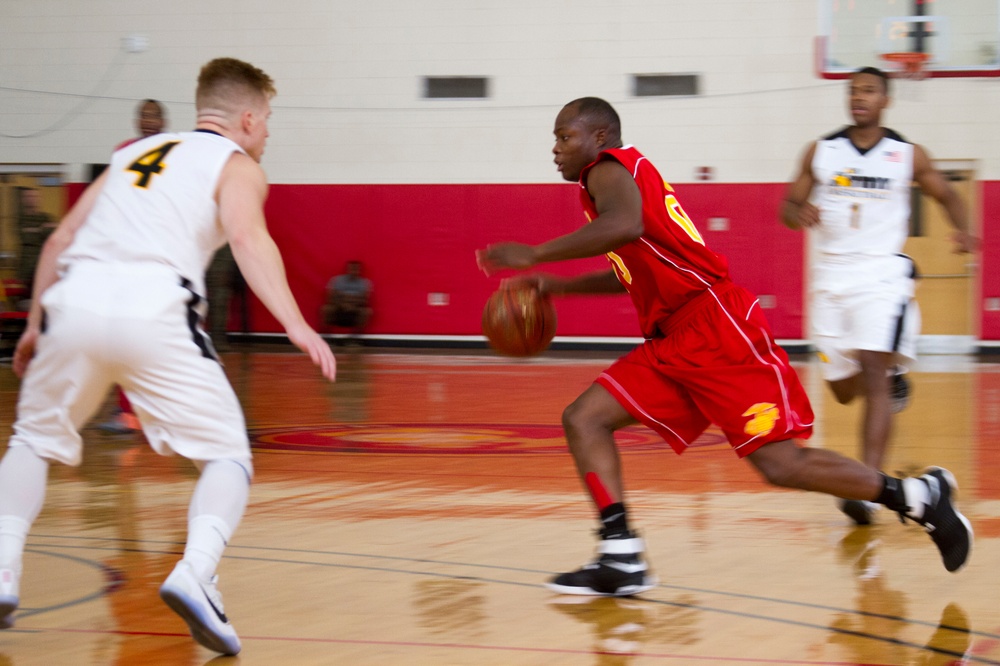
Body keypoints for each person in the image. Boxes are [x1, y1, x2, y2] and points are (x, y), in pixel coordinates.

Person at [475, 97, 972, 597]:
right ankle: (620, 554)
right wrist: (556, 286)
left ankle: (915, 496)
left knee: (782, 465)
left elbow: (624, 226)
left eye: (564, 137)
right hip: (674, 340)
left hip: (715, 328)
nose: (556, 149)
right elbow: (630, 269)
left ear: (599, 137)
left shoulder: (608, 170)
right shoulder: (613, 184)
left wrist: (536, 252)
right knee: (584, 418)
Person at [0, 57, 336, 654]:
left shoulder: (132, 154)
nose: (269, 135)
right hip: (156, 310)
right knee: (228, 455)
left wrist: (34, 326)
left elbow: (60, 238)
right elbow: (249, 238)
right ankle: (197, 572)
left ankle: (2, 568)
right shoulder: (235, 164)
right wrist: (295, 322)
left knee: (31, 441)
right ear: (249, 118)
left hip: (74, 301)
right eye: (270, 122)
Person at [781, 66, 977, 526]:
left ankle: (868, 488)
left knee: (872, 369)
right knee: (842, 388)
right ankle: (890, 385)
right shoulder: (821, 151)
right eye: (853, 91)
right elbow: (787, 207)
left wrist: (963, 229)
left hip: (882, 274)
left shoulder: (906, 155)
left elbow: (947, 194)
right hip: (831, 276)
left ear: (885, 100)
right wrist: (798, 212)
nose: (858, 97)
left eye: (868, 90)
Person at [101, 98, 170, 433]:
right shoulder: (123, 152)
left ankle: (163, 409)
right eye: (143, 115)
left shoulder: (175, 153)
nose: (148, 120)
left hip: (162, 255)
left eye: (154, 115)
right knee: (122, 333)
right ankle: (127, 410)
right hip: (127, 253)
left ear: (164, 122)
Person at [15, 188, 57, 299]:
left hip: (43, 263)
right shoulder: (20, 218)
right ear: (23, 199)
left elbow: (53, 235)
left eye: (34, 196)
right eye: (28, 196)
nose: (31, 199)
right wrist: (43, 229)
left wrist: (35, 230)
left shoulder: (45, 217)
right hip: (26, 266)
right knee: (26, 297)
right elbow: (25, 236)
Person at [321, 260, 373, 338]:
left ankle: (354, 339)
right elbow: (331, 297)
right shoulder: (337, 280)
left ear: (359, 270)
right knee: (326, 309)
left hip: (356, 307)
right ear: (348, 269)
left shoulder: (365, 283)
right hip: (338, 306)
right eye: (352, 269)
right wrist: (344, 303)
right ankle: (328, 337)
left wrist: (347, 300)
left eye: (356, 269)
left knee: (367, 311)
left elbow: (364, 299)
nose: (354, 271)